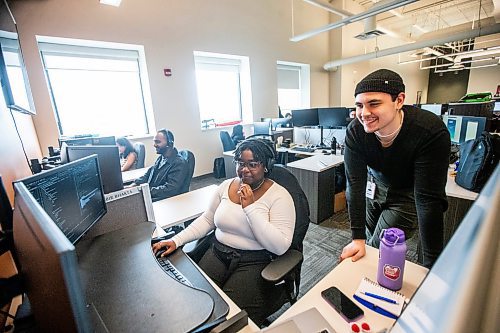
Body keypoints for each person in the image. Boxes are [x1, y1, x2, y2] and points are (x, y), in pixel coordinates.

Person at [152, 138, 295, 325]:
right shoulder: (226, 186)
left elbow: (280, 246)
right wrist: (176, 240)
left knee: (227, 317)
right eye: (240, 163)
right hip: (218, 252)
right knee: (195, 300)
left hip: (254, 260)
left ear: (266, 166)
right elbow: (207, 220)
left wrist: (250, 208)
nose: (244, 169)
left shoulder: (280, 196)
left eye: (253, 164)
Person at [340, 69, 450, 268]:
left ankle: (367, 287)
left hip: (407, 194)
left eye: (374, 104)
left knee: (376, 247)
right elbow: (354, 184)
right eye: (359, 105)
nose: (364, 113)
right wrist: (357, 238)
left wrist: (432, 266)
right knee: (366, 238)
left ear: (399, 101)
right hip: (375, 187)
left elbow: (428, 201)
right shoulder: (356, 131)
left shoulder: (429, 131)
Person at [130, 129, 188, 202]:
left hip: (165, 200)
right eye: (154, 141)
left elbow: (170, 189)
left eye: (158, 142)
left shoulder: (179, 163)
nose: (154, 145)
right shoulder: (161, 158)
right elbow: (149, 174)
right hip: (154, 194)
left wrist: (146, 191)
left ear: (169, 144)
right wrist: (135, 184)